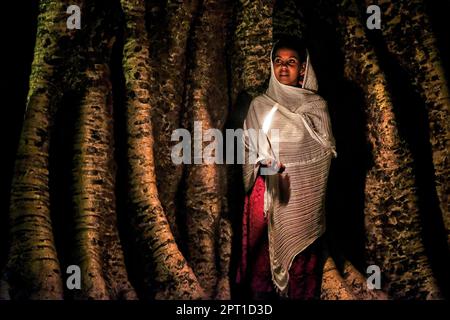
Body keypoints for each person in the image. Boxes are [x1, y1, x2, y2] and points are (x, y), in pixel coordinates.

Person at [236, 36, 337, 299]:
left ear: (303, 68)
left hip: (303, 198)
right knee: (263, 260)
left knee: (302, 261)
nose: (283, 67)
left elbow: (324, 153)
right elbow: (248, 148)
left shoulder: (316, 107)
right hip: (266, 194)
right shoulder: (259, 105)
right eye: (278, 61)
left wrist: (293, 164)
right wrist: (265, 163)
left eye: (291, 62)